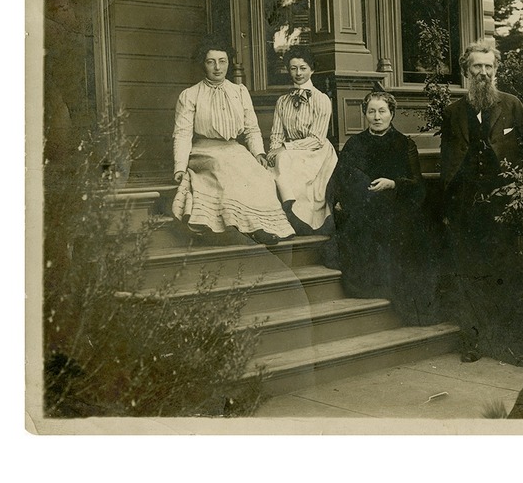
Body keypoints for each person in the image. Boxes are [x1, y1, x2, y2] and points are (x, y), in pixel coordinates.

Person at [440, 39, 523, 363]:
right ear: (466, 71)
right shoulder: (453, 113)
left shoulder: (511, 105)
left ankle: (507, 342)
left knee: (506, 272)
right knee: (470, 273)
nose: (483, 72)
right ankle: (473, 342)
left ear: (496, 70)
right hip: (467, 208)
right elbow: (446, 162)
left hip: (503, 208)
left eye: (489, 67)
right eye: (477, 67)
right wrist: (449, 206)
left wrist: (519, 183)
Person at [172, 37, 294, 243]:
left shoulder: (239, 91)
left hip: (234, 149)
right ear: (203, 63)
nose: (218, 67)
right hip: (205, 151)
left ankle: (260, 225)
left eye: (223, 61)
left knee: (260, 175)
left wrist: (259, 153)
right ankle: (250, 227)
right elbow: (182, 134)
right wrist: (180, 167)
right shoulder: (190, 95)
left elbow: (252, 129)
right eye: (211, 62)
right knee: (225, 169)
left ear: (229, 63)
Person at [332, 90, 428, 321]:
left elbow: (417, 184)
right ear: (365, 114)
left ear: (391, 114)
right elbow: (342, 179)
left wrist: (393, 183)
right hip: (364, 209)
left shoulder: (405, 143)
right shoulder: (355, 144)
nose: (377, 116)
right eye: (371, 111)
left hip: (396, 206)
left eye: (382, 111)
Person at [267, 46, 337, 237]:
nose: (298, 73)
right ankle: (282, 218)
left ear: (312, 70)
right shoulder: (282, 101)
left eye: (303, 68)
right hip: (289, 152)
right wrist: (273, 151)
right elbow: (276, 135)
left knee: (284, 161)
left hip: (316, 152)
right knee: (272, 166)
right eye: (293, 68)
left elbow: (316, 139)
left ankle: (295, 213)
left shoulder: (321, 99)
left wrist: (284, 149)